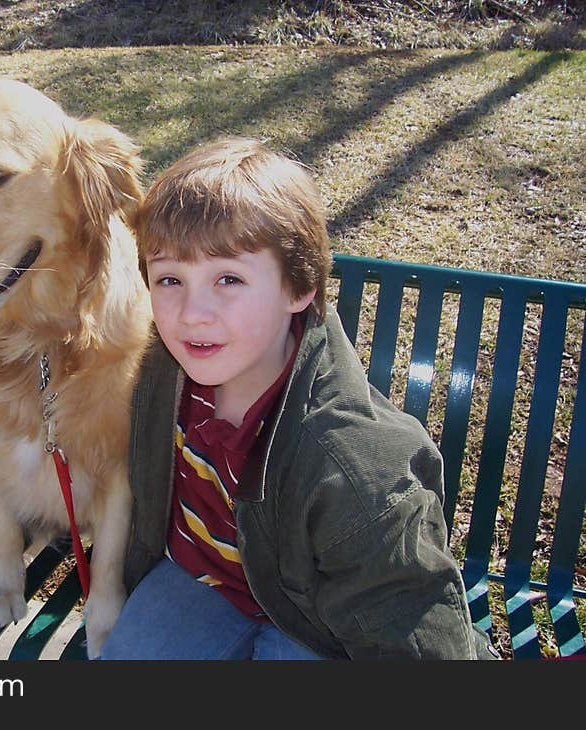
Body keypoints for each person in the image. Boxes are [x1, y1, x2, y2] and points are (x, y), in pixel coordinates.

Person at [98, 137, 498, 660]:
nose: (192, 312)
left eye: (228, 279)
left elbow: (416, 631)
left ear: (299, 287)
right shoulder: (162, 365)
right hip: (197, 577)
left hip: (315, 620)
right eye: (170, 278)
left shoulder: (355, 472)